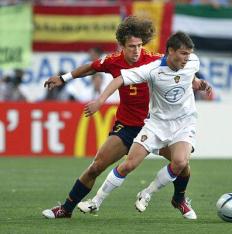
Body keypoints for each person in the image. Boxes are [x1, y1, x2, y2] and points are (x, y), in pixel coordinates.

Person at [42, 16, 197, 219]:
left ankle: (179, 199)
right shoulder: (114, 61)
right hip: (128, 126)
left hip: (156, 125)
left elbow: (180, 73)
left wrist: (197, 82)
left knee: (183, 165)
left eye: (140, 45)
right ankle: (66, 208)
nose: (137, 51)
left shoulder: (154, 60)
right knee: (96, 166)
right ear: (122, 45)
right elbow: (91, 67)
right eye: (132, 46)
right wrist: (64, 78)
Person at [81, 31, 212, 219]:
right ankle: (96, 202)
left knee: (181, 162)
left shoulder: (193, 62)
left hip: (184, 123)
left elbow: (190, 76)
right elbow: (120, 79)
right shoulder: (152, 69)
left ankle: (148, 193)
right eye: (183, 54)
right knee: (129, 164)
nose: (187, 58)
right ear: (171, 51)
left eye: (189, 54)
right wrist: (100, 101)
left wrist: (199, 83)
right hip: (157, 124)